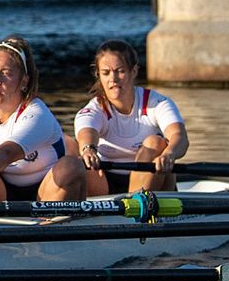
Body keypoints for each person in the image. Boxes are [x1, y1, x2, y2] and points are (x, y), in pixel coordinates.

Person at [0, 36, 86, 202]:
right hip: (0, 191)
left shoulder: (37, 114)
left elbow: (7, 153)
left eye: (5, 73)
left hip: (46, 192)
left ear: (24, 81)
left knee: (71, 166)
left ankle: (49, 224)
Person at [73, 39, 187, 194]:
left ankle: (135, 205)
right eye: (106, 73)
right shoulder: (95, 109)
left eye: (120, 71)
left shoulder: (156, 102)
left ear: (133, 71)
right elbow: (87, 131)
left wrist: (169, 154)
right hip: (105, 182)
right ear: (98, 75)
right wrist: (88, 149)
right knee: (72, 149)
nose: (113, 79)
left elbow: (179, 137)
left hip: (152, 177)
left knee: (155, 142)